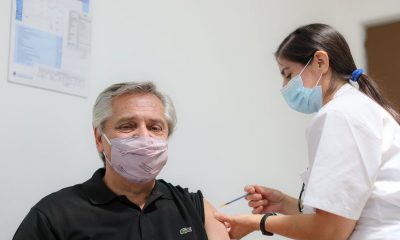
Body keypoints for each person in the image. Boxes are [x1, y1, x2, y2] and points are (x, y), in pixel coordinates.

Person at [215, 23, 400, 239]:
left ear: (320, 62)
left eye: (288, 74)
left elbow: (330, 231)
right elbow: (344, 215)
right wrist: (284, 203)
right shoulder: (357, 108)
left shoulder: (339, 115)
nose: (284, 86)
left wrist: (257, 222)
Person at [13, 81, 229, 240]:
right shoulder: (53, 216)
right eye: (127, 126)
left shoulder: (194, 206)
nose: (144, 136)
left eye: (155, 127)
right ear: (99, 139)